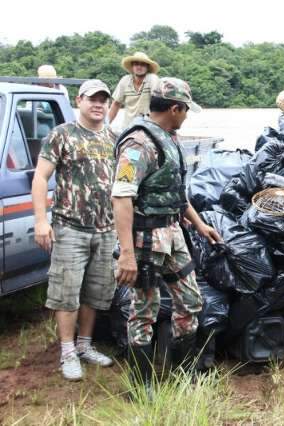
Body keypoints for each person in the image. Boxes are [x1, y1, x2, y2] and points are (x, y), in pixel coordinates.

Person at [111, 77, 222, 392]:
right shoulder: (138, 144)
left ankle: (185, 376)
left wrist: (199, 224)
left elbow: (175, 192)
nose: (186, 115)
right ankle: (142, 385)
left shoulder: (169, 138)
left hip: (173, 233)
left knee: (190, 300)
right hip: (146, 240)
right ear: (175, 108)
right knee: (143, 310)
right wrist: (128, 254)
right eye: (185, 110)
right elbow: (121, 197)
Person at [32, 79, 116, 381]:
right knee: (66, 293)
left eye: (103, 100)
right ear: (79, 100)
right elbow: (41, 177)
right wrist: (41, 220)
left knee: (96, 291)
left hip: (106, 230)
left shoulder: (113, 138)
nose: (98, 104)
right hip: (70, 228)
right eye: (92, 99)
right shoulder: (61, 135)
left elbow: (125, 182)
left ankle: (84, 346)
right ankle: (67, 351)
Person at [107, 52, 160, 128]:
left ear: (147, 67)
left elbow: (158, 100)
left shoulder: (152, 79)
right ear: (132, 66)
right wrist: (106, 125)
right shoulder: (125, 80)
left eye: (142, 64)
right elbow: (116, 104)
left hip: (149, 127)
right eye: (136, 64)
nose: (139, 67)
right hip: (128, 127)